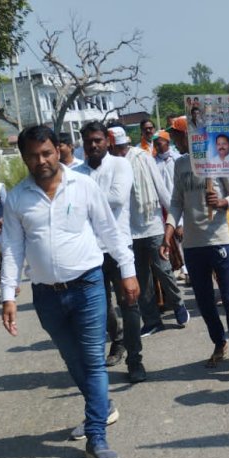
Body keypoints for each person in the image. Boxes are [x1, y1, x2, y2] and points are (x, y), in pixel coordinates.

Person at [0, 125, 140, 458]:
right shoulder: (17, 198)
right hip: (46, 296)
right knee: (73, 360)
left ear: (57, 150)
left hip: (87, 286)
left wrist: (127, 269)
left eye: (46, 152)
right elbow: (12, 248)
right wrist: (8, 295)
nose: (41, 160)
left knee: (92, 360)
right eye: (33, 155)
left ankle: (97, 438)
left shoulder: (83, 186)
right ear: (24, 157)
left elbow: (109, 229)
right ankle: (102, 406)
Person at [162, 142, 229, 386]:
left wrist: (223, 202)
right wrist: (169, 229)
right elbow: (176, 201)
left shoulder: (221, 160)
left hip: (219, 240)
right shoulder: (181, 163)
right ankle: (219, 341)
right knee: (204, 303)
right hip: (192, 245)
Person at [77, 121, 145, 382]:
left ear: (107, 140)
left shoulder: (120, 164)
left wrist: (84, 198)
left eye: (97, 140)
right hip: (90, 251)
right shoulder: (78, 172)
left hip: (119, 248)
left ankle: (135, 360)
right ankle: (117, 341)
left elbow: (117, 198)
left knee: (129, 303)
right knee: (100, 307)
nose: (93, 145)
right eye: (88, 141)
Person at [127, 142, 189, 335]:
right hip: (128, 231)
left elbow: (161, 189)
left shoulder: (142, 157)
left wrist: (174, 220)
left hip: (152, 225)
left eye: (123, 145)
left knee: (164, 270)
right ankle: (152, 320)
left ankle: (178, 305)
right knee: (141, 277)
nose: (121, 149)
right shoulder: (111, 163)